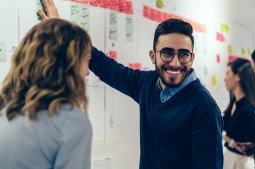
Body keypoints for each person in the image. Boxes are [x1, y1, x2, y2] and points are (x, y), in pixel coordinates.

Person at [38, 0, 224, 168]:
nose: (175, 63)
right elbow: (106, 67)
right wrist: (61, 29)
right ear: (153, 56)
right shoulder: (149, 84)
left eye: (183, 54)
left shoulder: (204, 108)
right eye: (167, 53)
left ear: (192, 58)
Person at [0, 18, 93, 169]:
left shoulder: (5, 108)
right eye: (86, 60)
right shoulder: (71, 122)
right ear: (68, 66)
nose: (87, 72)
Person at [222, 58, 255, 169]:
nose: (225, 79)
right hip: (229, 158)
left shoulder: (250, 109)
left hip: (242, 163)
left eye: (228, 74)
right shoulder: (233, 104)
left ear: (238, 77)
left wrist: (229, 140)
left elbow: (253, 145)